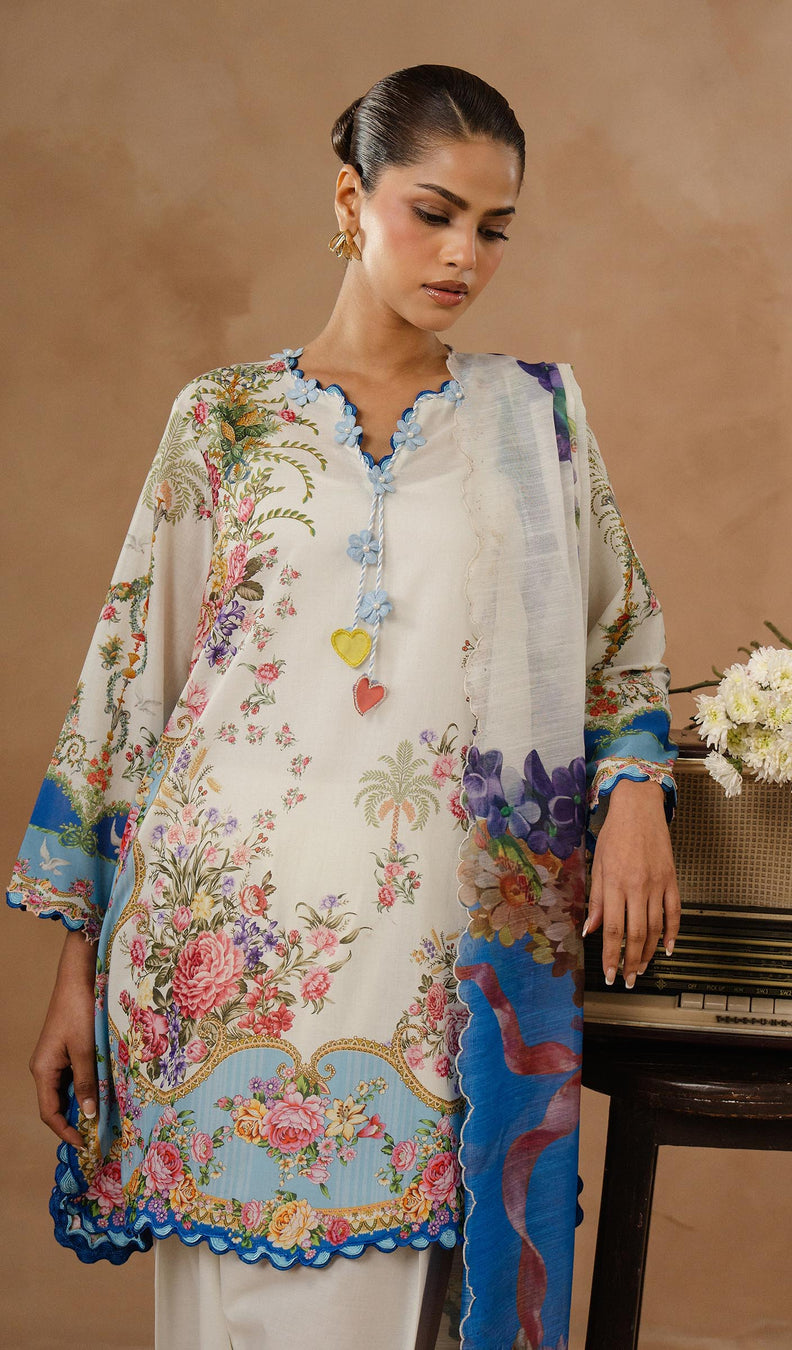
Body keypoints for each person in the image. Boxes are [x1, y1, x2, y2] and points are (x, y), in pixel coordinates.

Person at [10, 64, 680, 1350]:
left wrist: (637, 789)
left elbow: (618, 641)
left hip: (439, 963)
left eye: (494, 227)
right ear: (349, 199)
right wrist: (74, 974)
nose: (464, 255)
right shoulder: (223, 422)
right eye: (434, 213)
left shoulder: (534, 421)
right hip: (213, 958)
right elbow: (128, 700)